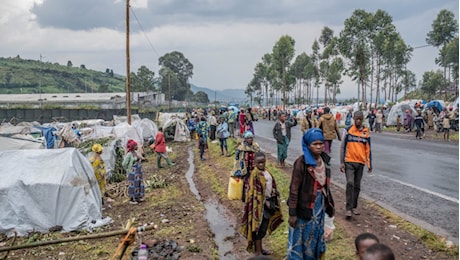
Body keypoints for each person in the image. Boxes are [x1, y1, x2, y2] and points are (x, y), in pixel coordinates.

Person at [286, 128, 335, 259]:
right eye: (315, 144)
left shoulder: (325, 161)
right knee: (299, 239)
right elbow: (294, 189)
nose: (319, 147)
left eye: (321, 143)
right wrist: (292, 213)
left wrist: (329, 208)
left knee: (314, 237)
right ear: (308, 145)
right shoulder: (301, 163)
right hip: (303, 208)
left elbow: (326, 186)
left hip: (318, 207)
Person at [240, 152, 283, 256]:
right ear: (255, 163)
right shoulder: (254, 174)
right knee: (258, 228)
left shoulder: (267, 172)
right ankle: (258, 251)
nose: (261, 165)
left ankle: (260, 248)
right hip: (258, 207)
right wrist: (264, 202)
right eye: (259, 163)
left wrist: (273, 192)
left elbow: (270, 184)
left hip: (269, 203)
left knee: (263, 227)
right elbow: (253, 193)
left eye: (263, 162)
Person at [340, 111, 372, 218]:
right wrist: (341, 162)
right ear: (353, 118)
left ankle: (354, 206)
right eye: (356, 119)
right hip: (349, 162)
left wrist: (369, 163)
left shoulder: (366, 132)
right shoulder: (348, 130)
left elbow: (368, 148)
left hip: (360, 163)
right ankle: (348, 209)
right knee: (350, 183)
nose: (358, 121)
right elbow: (342, 146)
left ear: (362, 119)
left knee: (357, 186)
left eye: (360, 119)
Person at [233, 131, 261, 201]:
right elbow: (237, 160)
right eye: (248, 138)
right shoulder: (241, 148)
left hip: (253, 168)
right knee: (245, 183)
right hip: (245, 169)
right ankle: (245, 197)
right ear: (245, 139)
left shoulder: (255, 147)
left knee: (254, 183)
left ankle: (253, 196)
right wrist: (237, 171)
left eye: (251, 138)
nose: (250, 140)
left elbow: (259, 156)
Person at [122, 139, 145, 204]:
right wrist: (128, 170)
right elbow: (124, 164)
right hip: (132, 173)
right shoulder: (129, 154)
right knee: (133, 185)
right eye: (135, 145)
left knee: (138, 184)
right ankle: (132, 199)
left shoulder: (135, 153)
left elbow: (140, 158)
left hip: (138, 171)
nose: (137, 146)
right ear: (132, 146)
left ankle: (138, 197)